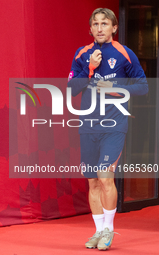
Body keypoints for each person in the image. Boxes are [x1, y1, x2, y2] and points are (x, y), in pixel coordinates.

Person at [67, 8, 148, 251]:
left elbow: (143, 87)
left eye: (105, 24)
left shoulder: (125, 54)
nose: (100, 28)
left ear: (114, 28)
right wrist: (89, 68)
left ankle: (109, 230)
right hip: (88, 125)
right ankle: (98, 231)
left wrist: (114, 89)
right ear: (90, 28)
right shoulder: (82, 54)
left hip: (114, 125)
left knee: (105, 177)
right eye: (96, 24)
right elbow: (72, 88)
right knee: (92, 181)